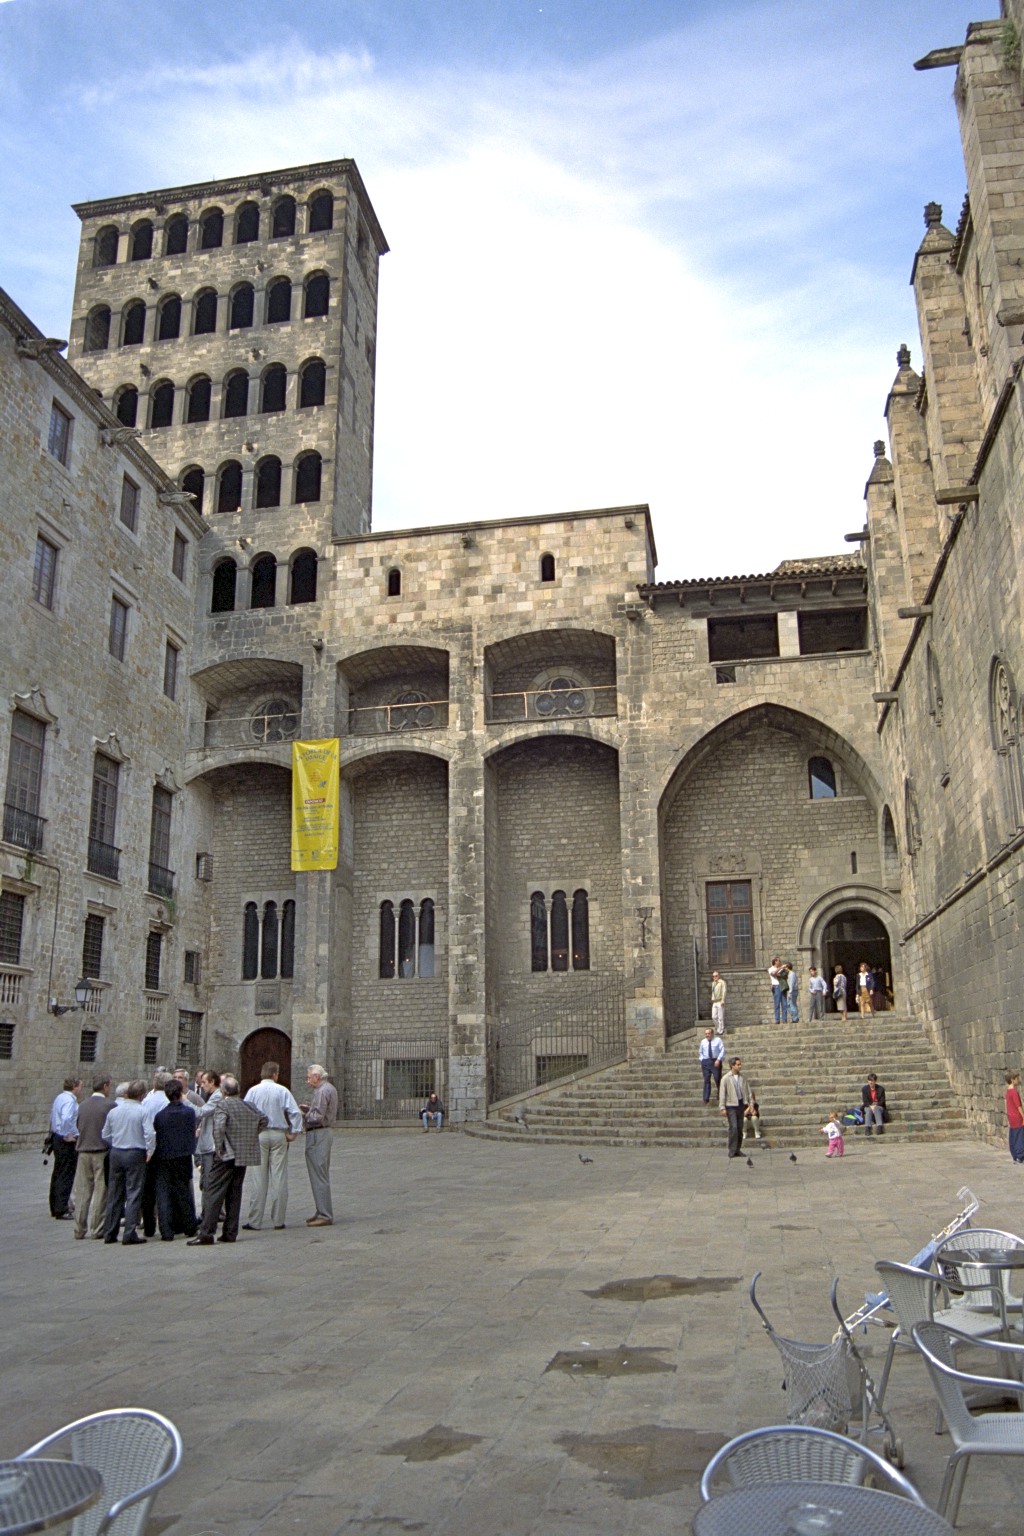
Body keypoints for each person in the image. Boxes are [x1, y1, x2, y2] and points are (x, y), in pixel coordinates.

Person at [189, 1076, 267, 1245]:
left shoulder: (223, 1105)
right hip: (242, 1154)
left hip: (226, 1155)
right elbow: (263, 1119)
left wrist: (219, 1148)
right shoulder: (248, 1105)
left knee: (213, 1192)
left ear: (223, 1091)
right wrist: (250, 1136)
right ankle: (230, 1232)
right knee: (234, 1193)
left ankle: (206, 1233)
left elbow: (219, 1127)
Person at [243, 1061, 302, 1230]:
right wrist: (294, 1132)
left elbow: (246, 1112)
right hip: (278, 1134)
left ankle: (255, 1221)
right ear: (275, 1074)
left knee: (258, 1178)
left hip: (259, 1135)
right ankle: (278, 1220)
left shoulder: (253, 1091)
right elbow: (295, 1112)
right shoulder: (282, 1090)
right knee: (279, 1177)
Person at [102, 1080, 154, 1245]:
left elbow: (105, 1134)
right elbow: (149, 1133)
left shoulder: (114, 1112)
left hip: (116, 1152)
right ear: (142, 1095)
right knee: (133, 1192)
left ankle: (110, 1232)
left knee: (114, 1193)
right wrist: (150, 1151)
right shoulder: (142, 1111)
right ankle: (129, 1232)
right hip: (135, 1152)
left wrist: (115, 1143)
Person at [152, 1079, 198, 1240]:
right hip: (183, 1155)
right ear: (180, 1094)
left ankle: (166, 1230)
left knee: (164, 1193)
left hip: (164, 1156)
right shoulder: (189, 1113)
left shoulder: (160, 1116)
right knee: (183, 1191)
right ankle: (189, 1226)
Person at [71, 1074, 115, 1240]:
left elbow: (77, 1125)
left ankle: (79, 1229)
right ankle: (96, 1228)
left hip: (83, 1151)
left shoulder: (82, 1105)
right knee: (100, 1191)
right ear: (105, 1086)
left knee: (83, 1191)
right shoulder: (110, 1105)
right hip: (101, 1151)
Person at [300, 1064, 338, 1226]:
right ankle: (321, 1210)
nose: (307, 1080)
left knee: (319, 1174)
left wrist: (303, 1114)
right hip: (323, 1132)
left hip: (318, 1133)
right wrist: (310, 1109)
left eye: (309, 1077)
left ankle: (325, 1214)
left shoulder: (322, 1091)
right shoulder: (329, 1088)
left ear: (317, 1076)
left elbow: (317, 1117)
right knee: (319, 1173)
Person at [48, 1077, 83, 1219]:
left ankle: (55, 1205)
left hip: (56, 1137)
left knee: (58, 1172)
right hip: (65, 1140)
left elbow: (53, 1116)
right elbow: (67, 1118)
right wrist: (67, 1134)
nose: (81, 1090)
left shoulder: (60, 1097)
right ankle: (62, 1208)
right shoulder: (70, 1100)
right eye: (80, 1086)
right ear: (74, 1087)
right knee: (66, 1174)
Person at [194, 1071, 224, 1194]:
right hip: (207, 1143)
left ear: (212, 1082)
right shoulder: (212, 1095)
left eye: (204, 1082)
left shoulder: (217, 1096)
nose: (201, 1085)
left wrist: (184, 1100)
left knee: (209, 1181)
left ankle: (212, 1212)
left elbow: (202, 1112)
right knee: (205, 1181)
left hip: (211, 1145)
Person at [719, 1057, 750, 1159]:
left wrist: (751, 1103)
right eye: (738, 1064)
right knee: (734, 1127)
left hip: (740, 1104)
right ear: (732, 1066)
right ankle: (732, 1149)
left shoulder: (743, 1078)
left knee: (740, 1127)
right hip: (731, 1105)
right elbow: (722, 1093)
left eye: (740, 1064)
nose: (740, 1066)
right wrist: (722, 1107)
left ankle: (738, 1149)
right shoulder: (726, 1078)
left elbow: (748, 1091)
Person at [698, 1027, 725, 1105]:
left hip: (715, 1061)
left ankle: (720, 1094)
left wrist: (719, 1059)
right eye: (706, 1034)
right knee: (706, 1080)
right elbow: (700, 1052)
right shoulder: (703, 1042)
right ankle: (706, 1098)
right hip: (706, 1062)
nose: (707, 1035)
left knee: (717, 1078)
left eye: (709, 1033)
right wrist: (702, 1059)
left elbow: (722, 1050)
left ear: (712, 1034)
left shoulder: (718, 1040)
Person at [1006, 1072, 1024, 1164]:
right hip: (1017, 1117)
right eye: (1017, 1078)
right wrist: (1023, 1116)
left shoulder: (1008, 1092)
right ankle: (1020, 1157)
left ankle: (1015, 1156)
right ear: (1012, 1080)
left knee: (1013, 1136)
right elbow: (1018, 1106)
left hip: (1011, 1116)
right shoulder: (1014, 1092)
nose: (1018, 1080)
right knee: (1019, 1136)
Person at [710, 971, 727, 1035]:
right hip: (714, 1001)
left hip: (720, 1001)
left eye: (716, 976)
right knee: (713, 1017)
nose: (715, 977)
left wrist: (723, 1000)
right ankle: (718, 1028)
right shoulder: (713, 983)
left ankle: (721, 1030)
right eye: (713, 976)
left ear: (719, 976)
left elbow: (724, 991)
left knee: (720, 1017)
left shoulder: (722, 982)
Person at [768, 958, 783, 1024]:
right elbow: (773, 974)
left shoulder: (781, 968)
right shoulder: (771, 969)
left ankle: (784, 1020)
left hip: (782, 986)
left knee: (784, 1004)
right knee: (777, 1004)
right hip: (776, 986)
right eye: (778, 961)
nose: (780, 962)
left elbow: (783, 975)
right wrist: (780, 969)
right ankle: (777, 1019)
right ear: (775, 962)